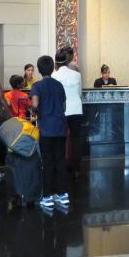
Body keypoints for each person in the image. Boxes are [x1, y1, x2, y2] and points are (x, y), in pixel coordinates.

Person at [31, 55, 69, 209]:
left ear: (39, 70)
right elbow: (64, 106)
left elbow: (35, 104)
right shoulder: (59, 85)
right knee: (60, 160)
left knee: (47, 161)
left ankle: (47, 197)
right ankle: (62, 194)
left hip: (46, 128)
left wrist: (34, 110)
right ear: (53, 68)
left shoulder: (37, 86)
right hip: (60, 126)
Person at [52, 47, 83, 176]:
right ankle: (76, 168)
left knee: (61, 139)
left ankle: (61, 166)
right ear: (69, 60)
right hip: (76, 109)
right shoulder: (77, 74)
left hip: (62, 110)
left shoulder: (54, 75)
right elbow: (80, 93)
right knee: (76, 139)